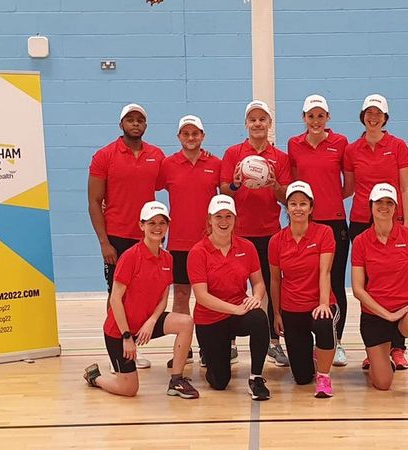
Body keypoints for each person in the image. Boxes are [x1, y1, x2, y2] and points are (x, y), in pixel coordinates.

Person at [83, 201, 198, 399]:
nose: (157, 227)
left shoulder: (167, 258)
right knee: (129, 390)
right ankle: (95, 377)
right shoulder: (130, 257)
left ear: (168, 226)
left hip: (146, 324)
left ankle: (176, 380)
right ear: (141, 226)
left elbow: (163, 295)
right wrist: (127, 336)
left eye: (162, 223)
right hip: (120, 331)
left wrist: (153, 320)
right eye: (151, 223)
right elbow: (115, 299)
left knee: (186, 322)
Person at [89, 103, 165, 370]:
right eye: (130, 120)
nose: (135, 123)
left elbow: (178, 175)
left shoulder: (157, 155)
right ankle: (117, 353)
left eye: (140, 120)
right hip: (117, 238)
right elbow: (94, 201)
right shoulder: (104, 156)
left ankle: (131, 348)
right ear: (121, 124)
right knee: (116, 296)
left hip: (148, 237)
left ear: (145, 125)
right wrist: (104, 242)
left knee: (141, 297)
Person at [220, 100, 291, 367]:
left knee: (272, 289)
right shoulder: (233, 153)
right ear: (246, 124)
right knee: (232, 287)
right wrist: (237, 183)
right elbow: (224, 190)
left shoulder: (281, 158)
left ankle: (274, 342)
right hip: (238, 234)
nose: (258, 124)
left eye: (263, 119)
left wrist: (274, 185)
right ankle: (229, 343)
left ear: (269, 124)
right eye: (253, 119)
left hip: (270, 233)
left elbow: (287, 198)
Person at [344, 94, 408, 370]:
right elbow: (347, 189)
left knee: (397, 283)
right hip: (361, 221)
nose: (373, 117)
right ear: (363, 116)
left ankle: (398, 347)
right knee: (370, 285)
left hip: (392, 219)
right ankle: (374, 346)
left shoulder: (398, 146)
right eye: (369, 112)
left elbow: (405, 188)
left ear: (385, 118)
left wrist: (406, 224)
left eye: (379, 113)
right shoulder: (352, 149)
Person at [351, 184, 408, 400]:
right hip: (375, 317)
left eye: (389, 203)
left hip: (404, 312)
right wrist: (386, 315)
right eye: (379, 202)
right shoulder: (361, 242)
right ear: (371, 206)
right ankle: (379, 359)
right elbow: (358, 289)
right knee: (383, 384)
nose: (384, 207)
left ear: (396, 208)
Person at [287, 95, 352, 367]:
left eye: (320, 116)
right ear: (304, 118)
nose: (315, 121)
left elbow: (348, 186)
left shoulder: (340, 143)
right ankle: (306, 341)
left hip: (334, 223)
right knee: (306, 282)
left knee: (335, 283)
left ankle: (334, 343)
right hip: (304, 224)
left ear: (328, 118)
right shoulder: (294, 144)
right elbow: (291, 182)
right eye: (310, 116)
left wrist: (329, 201)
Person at [187, 195, 272, 401]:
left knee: (259, 318)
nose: (223, 222)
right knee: (219, 382)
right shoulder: (198, 252)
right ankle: (210, 354)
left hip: (238, 314)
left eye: (228, 216)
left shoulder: (247, 247)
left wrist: (256, 297)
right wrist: (235, 309)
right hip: (211, 318)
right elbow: (202, 296)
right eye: (218, 217)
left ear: (235, 219)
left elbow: (259, 283)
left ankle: (256, 378)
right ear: (209, 220)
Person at [156, 115, 221, 367]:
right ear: (179, 137)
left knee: (210, 299)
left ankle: (209, 347)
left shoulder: (215, 163)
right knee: (181, 297)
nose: (191, 137)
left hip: (210, 245)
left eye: (195, 133)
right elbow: (142, 186)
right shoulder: (168, 165)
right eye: (186, 133)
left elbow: (228, 195)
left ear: (203, 136)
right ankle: (185, 350)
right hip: (179, 245)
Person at [269, 181, 338, 397]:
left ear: (311, 207)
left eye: (303, 203)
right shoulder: (276, 241)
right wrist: (277, 313)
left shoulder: (324, 233)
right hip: (292, 309)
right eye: (293, 204)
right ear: (287, 208)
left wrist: (324, 303)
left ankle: (325, 376)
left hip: (319, 304)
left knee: (324, 322)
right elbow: (275, 281)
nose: (298, 208)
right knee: (300, 378)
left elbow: (325, 272)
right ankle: (311, 356)